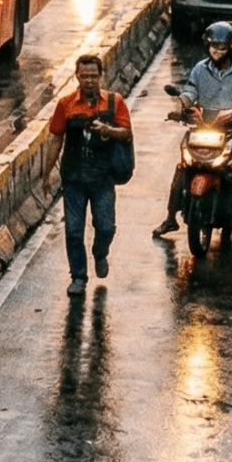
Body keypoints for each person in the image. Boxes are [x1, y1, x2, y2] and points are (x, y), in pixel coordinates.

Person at [165, 21, 232, 236]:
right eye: (213, 46)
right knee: (181, 170)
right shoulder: (199, 69)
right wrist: (181, 106)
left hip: (231, 132)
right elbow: (190, 91)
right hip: (202, 129)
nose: (217, 51)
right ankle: (170, 218)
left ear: (231, 47)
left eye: (222, 47)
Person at [48, 53, 131, 292]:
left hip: (103, 178)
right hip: (73, 177)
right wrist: (46, 174)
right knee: (74, 230)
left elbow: (127, 133)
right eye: (84, 76)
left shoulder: (115, 103)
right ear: (77, 77)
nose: (89, 81)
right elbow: (55, 139)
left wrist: (107, 129)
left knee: (106, 227)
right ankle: (78, 277)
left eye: (93, 76)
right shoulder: (65, 105)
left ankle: (100, 252)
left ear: (101, 76)